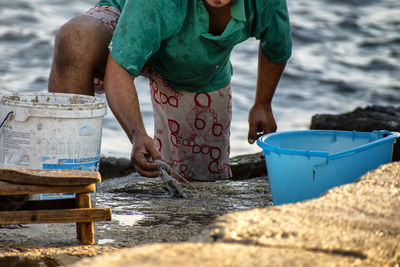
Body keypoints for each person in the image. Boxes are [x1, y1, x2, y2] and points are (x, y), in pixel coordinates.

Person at [48, 0, 292, 181]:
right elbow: (120, 70)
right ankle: (66, 185)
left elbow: (276, 48)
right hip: (126, 27)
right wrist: (137, 134)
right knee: (75, 39)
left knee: (200, 187)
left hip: (194, 68)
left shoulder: (266, 3)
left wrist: (263, 103)